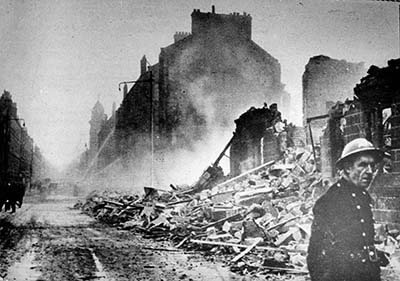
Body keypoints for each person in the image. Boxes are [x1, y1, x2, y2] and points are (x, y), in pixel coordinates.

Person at [307, 138, 389, 281]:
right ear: (347, 167)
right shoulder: (330, 201)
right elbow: (317, 255)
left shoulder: (362, 196)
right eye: (362, 165)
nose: (369, 171)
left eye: (372, 166)